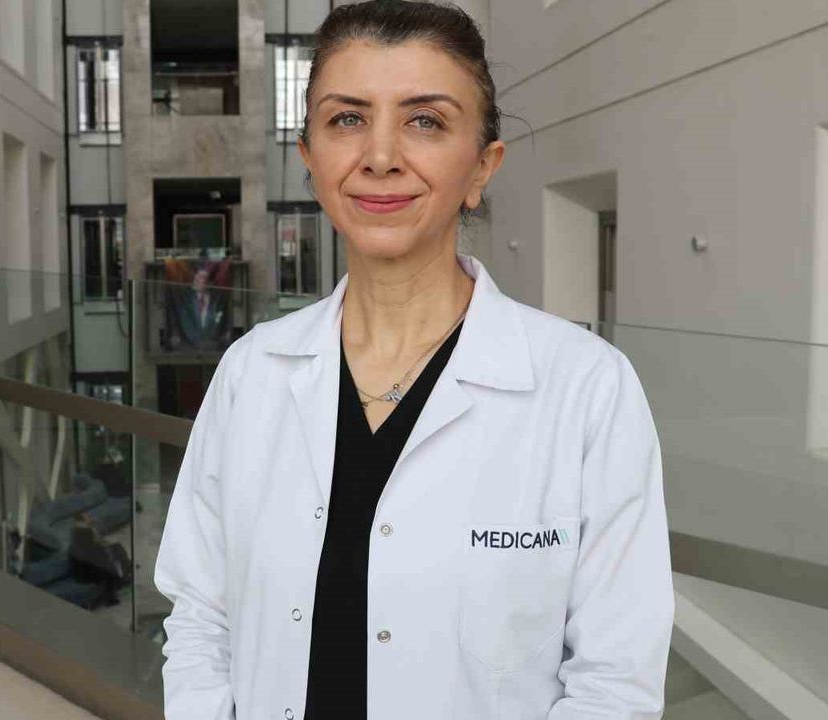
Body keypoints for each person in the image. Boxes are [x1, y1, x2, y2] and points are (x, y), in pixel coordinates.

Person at [154, 2, 673, 718]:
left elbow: (614, 685)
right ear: (310, 159)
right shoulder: (251, 374)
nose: (380, 156)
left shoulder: (587, 389)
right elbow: (198, 616)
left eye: (425, 121)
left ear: (482, 166)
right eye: (347, 119)